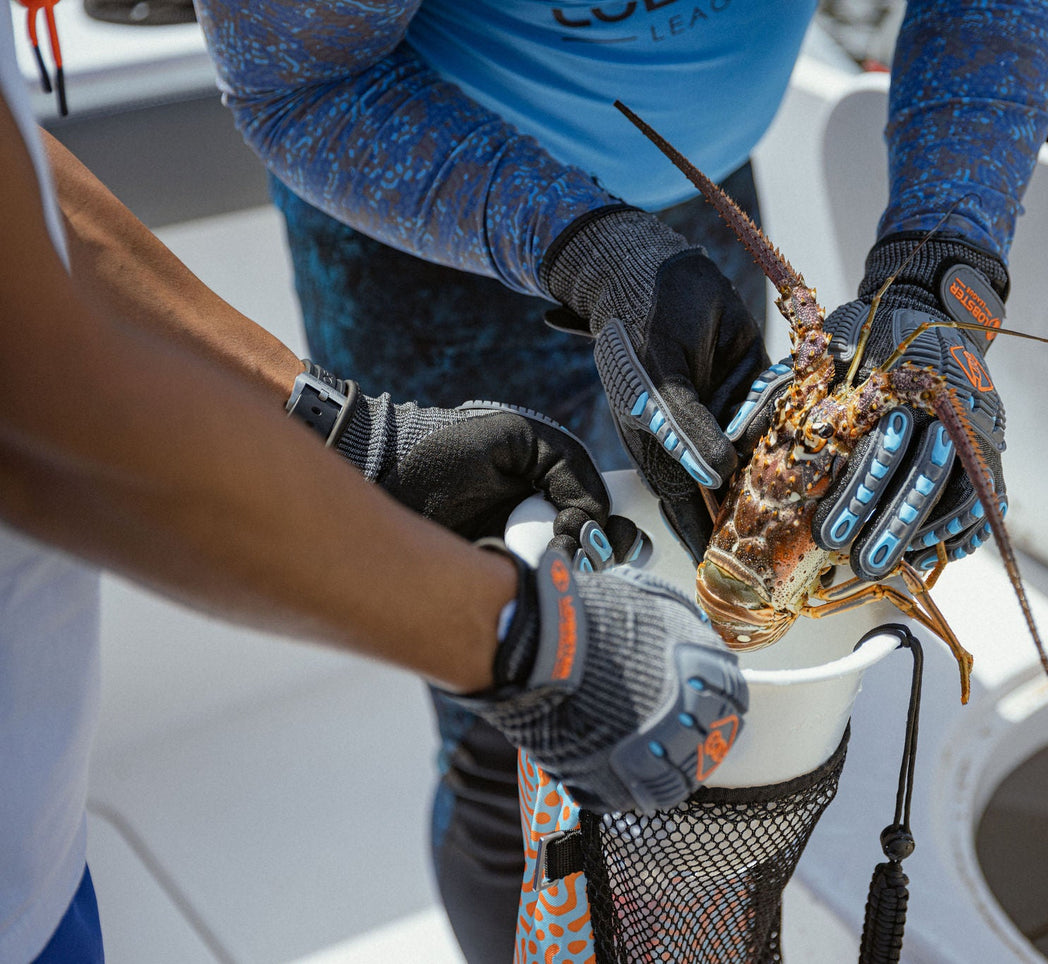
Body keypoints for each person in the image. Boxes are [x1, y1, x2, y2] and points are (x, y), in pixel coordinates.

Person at [194, 1, 1048, 957]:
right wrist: (580, 239)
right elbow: (298, 81)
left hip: (694, 211)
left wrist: (941, 267)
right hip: (422, 212)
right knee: (508, 725)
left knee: (693, 727)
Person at [0, 5, 747, 959]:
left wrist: (353, 437)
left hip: (37, 829)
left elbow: (26, 203)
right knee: (494, 768)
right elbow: (38, 428)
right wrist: (522, 642)